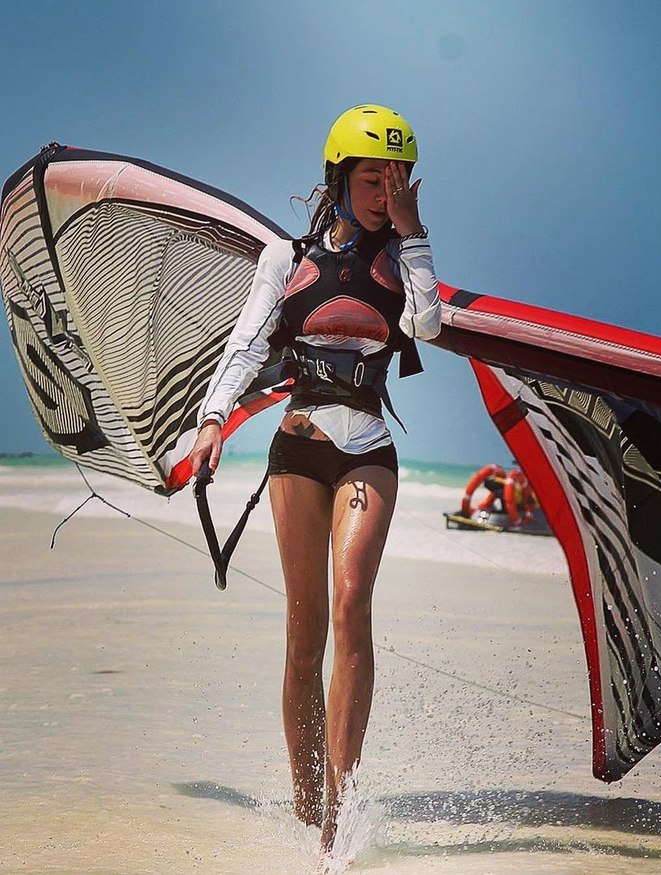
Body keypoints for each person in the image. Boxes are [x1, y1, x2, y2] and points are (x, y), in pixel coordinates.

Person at [188, 104, 441, 853]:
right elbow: (246, 344)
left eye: (397, 180)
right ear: (338, 179)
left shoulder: (403, 256)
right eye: (372, 180)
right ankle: (305, 806)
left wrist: (415, 233)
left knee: (352, 603)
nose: (385, 194)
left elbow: (427, 325)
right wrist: (212, 419)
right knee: (306, 632)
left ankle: (339, 812)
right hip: (298, 451)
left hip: (368, 450)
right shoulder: (285, 258)